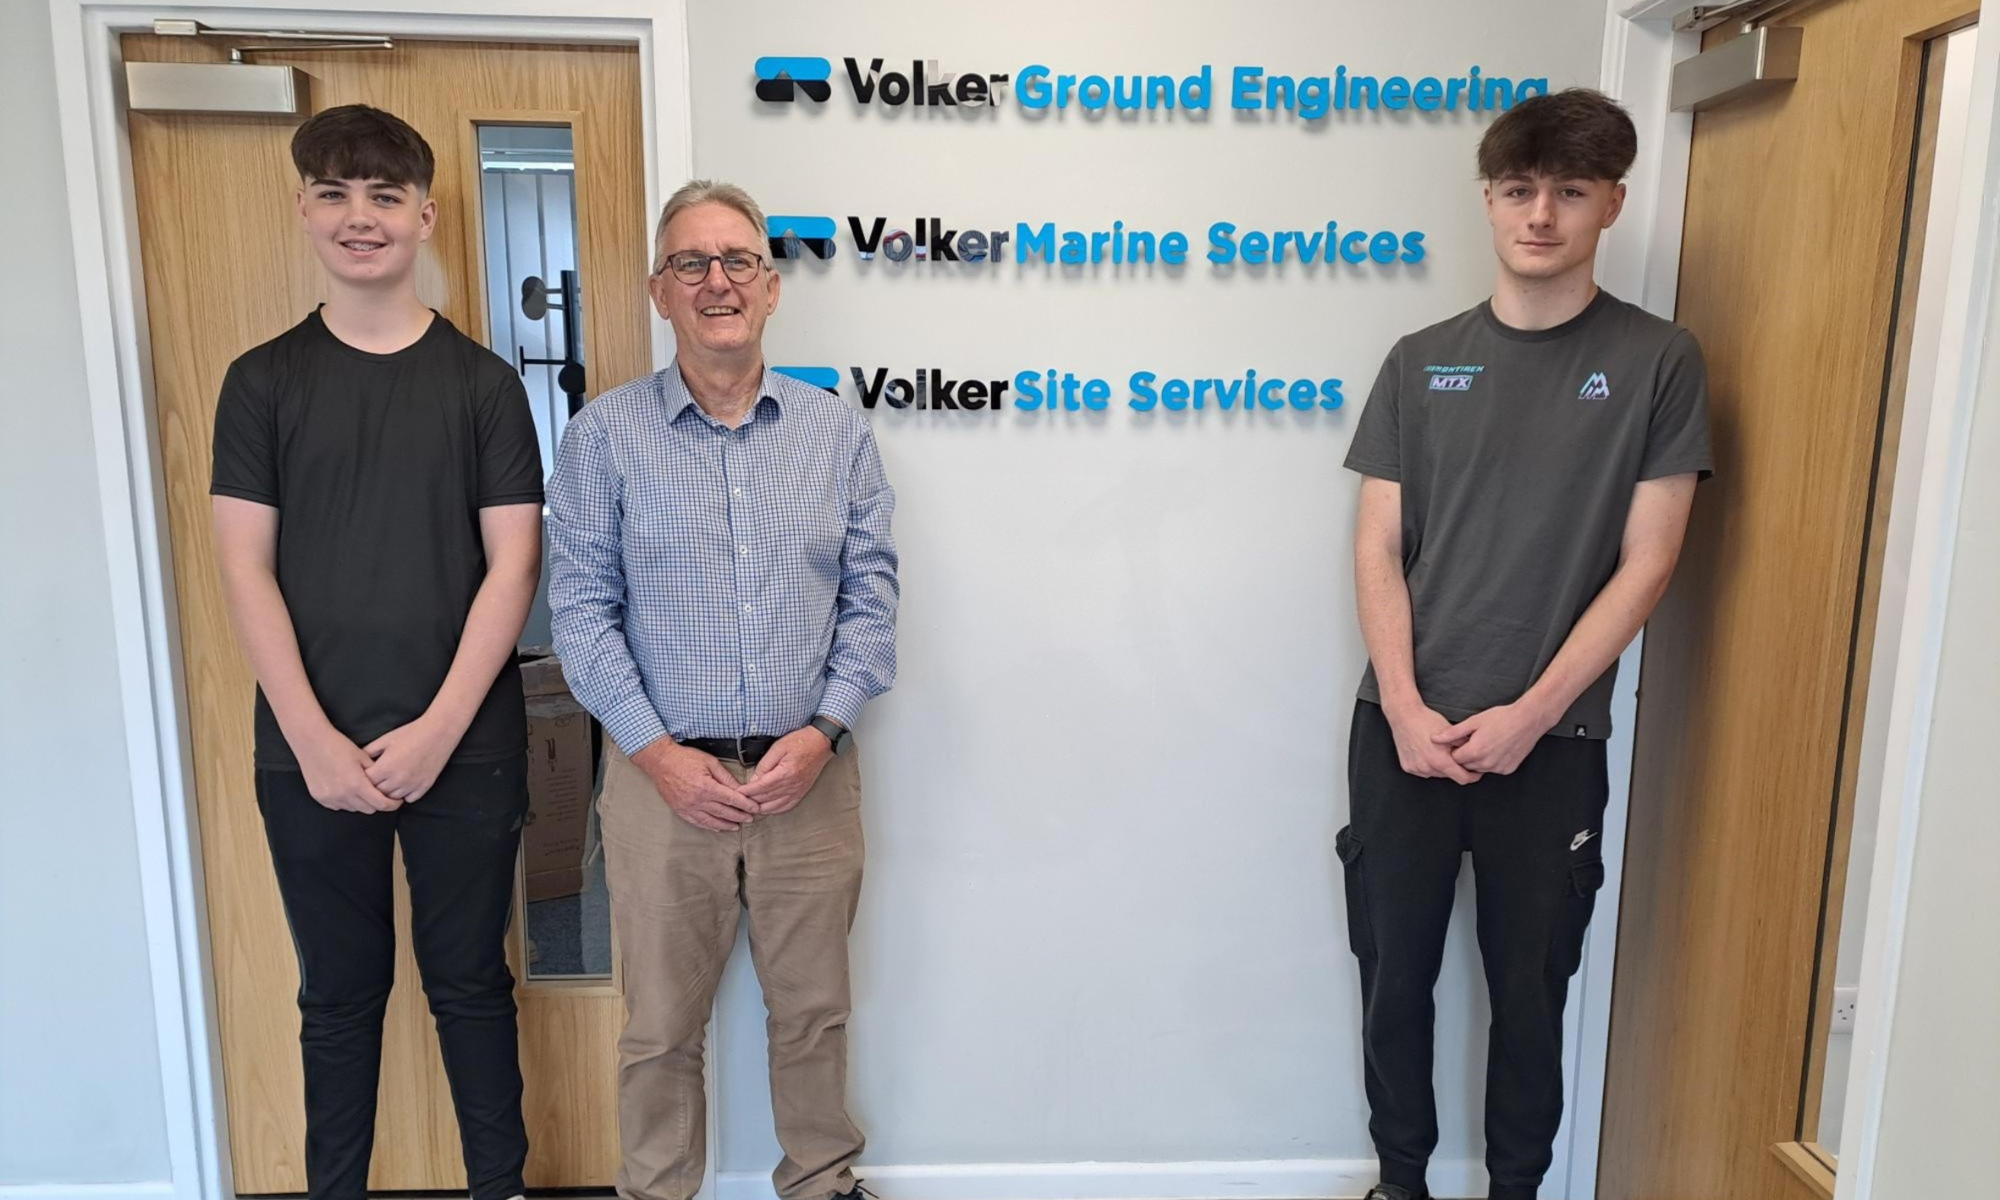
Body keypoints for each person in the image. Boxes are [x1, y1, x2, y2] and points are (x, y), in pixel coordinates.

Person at [1339, 89, 1713, 1200]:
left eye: (1567, 192)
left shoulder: (1657, 361)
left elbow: (1646, 561)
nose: (1538, 214)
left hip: (1550, 746)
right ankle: (1397, 1184)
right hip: (1398, 733)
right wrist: (1405, 707)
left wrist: (1532, 712)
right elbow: (1376, 550)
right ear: (1488, 200)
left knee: (1530, 993)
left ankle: (1515, 1191)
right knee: (1390, 981)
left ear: (1610, 204)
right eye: (1517, 190)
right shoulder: (1419, 359)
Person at [208, 104, 543, 1200]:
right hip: (308, 755)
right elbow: (244, 566)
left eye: (385, 196)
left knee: (468, 986)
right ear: (304, 210)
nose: (362, 218)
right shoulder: (259, 383)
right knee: (338, 998)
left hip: (467, 749)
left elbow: (514, 568)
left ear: (425, 215)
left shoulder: (485, 386)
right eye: (336, 194)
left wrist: (441, 730)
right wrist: (311, 739)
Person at [547, 179, 898, 1200]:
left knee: (813, 1014)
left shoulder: (835, 435)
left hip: (808, 775)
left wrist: (824, 731)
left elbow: (871, 603)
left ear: (770, 286)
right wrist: (656, 754)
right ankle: (656, 1191)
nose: (716, 281)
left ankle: (822, 1183)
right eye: (690, 263)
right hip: (662, 784)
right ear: (659, 291)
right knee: (657, 1026)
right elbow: (579, 613)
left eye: (736, 260)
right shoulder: (604, 437)